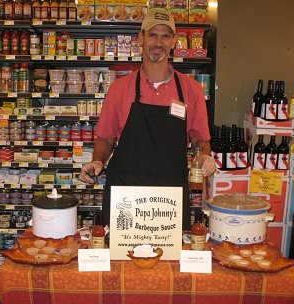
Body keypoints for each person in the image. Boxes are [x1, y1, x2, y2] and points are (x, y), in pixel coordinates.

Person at [80, 11, 216, 230]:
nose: (158, 43)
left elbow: (201, 142)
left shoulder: (191, 90)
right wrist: (97, 161)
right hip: (125, 191)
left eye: (165, 36)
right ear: (141, 39)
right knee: (118, 256)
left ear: (173, 41)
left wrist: (206, 158)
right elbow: (105, 138)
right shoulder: (119, 89)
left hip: (169, 194)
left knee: (169, 259)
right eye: (152, 35)